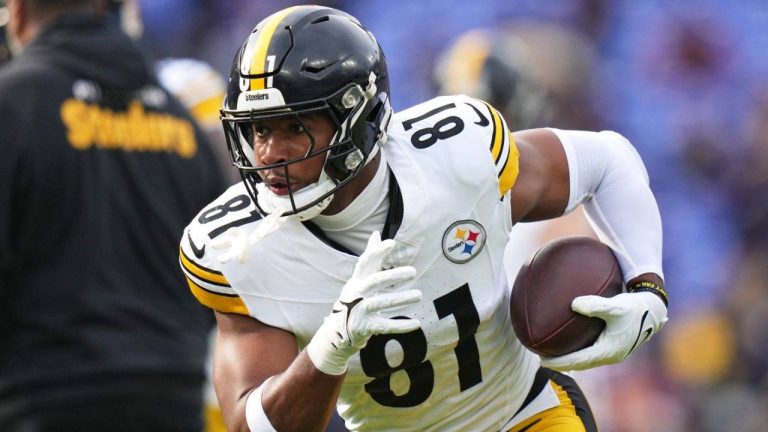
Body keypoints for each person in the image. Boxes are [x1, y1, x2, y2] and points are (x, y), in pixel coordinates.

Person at [179, 5, 669, 432]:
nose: (269, 154)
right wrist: (330, 346)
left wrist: (647, 285)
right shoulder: (238, 248)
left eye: (294, 127)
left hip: (519, 416)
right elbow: (251, 426)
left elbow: (606, 160)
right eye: (259, 130)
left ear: (358, 120)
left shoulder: (456, 156)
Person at [0, 0, 225, 430]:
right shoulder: (182, 123)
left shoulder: (12, 104)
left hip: (43, 399)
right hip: (173, 401)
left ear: (19, 10)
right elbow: (220, 272)